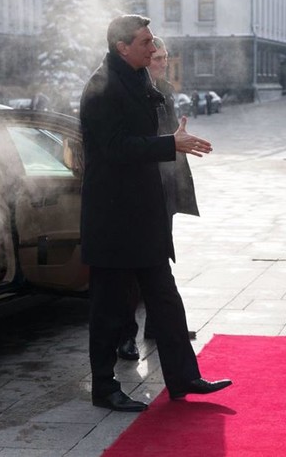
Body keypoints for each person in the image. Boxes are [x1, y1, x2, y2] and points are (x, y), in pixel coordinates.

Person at [80, 14, 232, 412]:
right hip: (113, 218)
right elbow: (115, 147)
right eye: (145, 42)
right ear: (122, 47)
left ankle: (184, 377)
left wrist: (170, 143)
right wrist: (169, 144)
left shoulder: (138, 78)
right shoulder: (102, 86)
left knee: (165, 299)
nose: (153, 47)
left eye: (152, 41)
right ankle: (104, 387)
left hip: (144, 215)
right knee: (109, 308)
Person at [117, 36, 200, 361]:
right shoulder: (129, 90)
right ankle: (126, 335)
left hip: (165, 182)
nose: (163, 63)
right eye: (158, 58)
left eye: (165, 57)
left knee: (160, 259)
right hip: (139, 187)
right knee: (132, 268)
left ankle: (158, 324)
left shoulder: (164, 89)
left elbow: (171, 133)